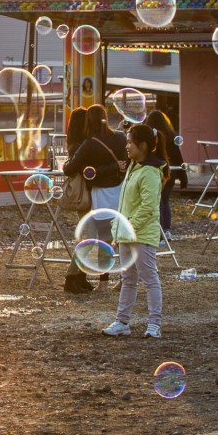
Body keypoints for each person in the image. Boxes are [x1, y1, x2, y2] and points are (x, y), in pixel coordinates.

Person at [101, 124, 168, 339]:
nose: (126, 146)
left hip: (141, 234)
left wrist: (128, 227)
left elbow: (148, 207)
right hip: (128, 233)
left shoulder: (149, 171)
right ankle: (122, 322)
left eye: (130, 142)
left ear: (143, 145)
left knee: (149, 279)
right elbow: (125, 204)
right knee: (128, 278)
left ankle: (154, 324)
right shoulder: (134, 167)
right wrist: (118, 228)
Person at [62, 104, 128, 293]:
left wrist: (109, 168)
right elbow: (77, 169)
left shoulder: (89, 142)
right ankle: (73, 277)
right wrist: (115, 167)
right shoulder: (88, 143)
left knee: (94, 237)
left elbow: (72, 169)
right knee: (92, 237)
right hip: (99, 195)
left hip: (98, 195)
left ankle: (78, 277)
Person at [62, 107, 94, 294]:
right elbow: (72, 168)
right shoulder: (80, 146)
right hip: (85, 196)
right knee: (87, 237)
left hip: (88, 195)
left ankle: (80, 277)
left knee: (89, 236)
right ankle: (71, 277)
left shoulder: (75, 144)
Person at [145, 110, 187, 242]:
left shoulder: (149, 137)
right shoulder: (170, 135)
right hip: (170, 173)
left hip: (154, 172)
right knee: (165, 200)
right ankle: (167, 230)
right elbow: (178, 158)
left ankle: (160, 232)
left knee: (157, 201)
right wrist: (183, 176)